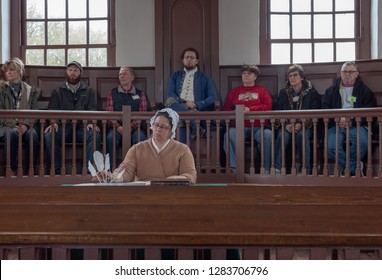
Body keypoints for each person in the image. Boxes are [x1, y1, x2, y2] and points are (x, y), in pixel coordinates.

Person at [103, 108, 197, 184]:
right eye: (156, 125)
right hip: (143, 195)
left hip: (172, 195)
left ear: (171, 131)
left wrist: (171, 180)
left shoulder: (183, 150)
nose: (158, 129)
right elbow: (125, 170)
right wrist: (113, 177)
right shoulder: (137, 149)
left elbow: (190, 175)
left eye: (163, 127)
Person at [44, 61, 101, 174]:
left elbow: (92, 109)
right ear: (66, 72)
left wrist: (90, 122)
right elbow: (52, 109)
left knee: (95, 134)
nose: (72, 73)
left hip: (82, 127)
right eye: (70, 70)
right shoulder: (58, 90)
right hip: (64, 126)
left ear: (80, 73)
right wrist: (54, 122)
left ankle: (91, 171)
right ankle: (57, 170)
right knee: (49, 135)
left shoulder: (89, 91)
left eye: (75, 70)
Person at [322, 61, 377, 176]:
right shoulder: (331, 91)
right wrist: (337, 120)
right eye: (344, 72)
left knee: (363, 142)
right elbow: (325, 109)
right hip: (336, 124)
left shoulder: (364, 91)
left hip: (356, 124)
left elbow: (370, 110)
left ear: (356, 74)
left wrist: (352, 121)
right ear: (340, 74)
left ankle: (346, 168)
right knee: (330, 146)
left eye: (350, 72)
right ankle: (355, 167)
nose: (347, 74)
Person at [223, 64, 273, 174]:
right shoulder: (235, 92)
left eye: (249, 73)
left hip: (259, 126)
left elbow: (268, 106)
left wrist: (250, 109)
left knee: (268, 136)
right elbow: (226, 108)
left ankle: (267, 169)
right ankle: (234, 168)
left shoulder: (262, 91)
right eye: (244, 73)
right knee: (228, 135)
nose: (246, 75)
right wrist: (238, 111)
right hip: (238, 126)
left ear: (255, 76)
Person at [274, 64, 321, 175]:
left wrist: (301, 124)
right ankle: (277, 168)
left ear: (302, 77)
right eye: (290, 76)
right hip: (287, 126)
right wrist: (285, 125)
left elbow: (315, 112)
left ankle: (306, 169)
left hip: (306, 126)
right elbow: (277, 111)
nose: (292, 78)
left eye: (295, 75)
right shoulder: (283, 93)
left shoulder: (312, 93)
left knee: (302, 136)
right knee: (282, 136)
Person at [165, 47, 217, 143]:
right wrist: (184, 102)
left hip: (194, 109)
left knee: (182, 122)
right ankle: (196, 126)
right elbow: (170, 94)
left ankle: (182, 156)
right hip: (177, 106)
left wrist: (196, 104)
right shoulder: (175, 75)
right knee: (170, 101)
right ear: (183, 60)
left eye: (192, 57)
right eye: (187, 57)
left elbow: (212, 97)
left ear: (196, 61)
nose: (189, 59)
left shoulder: (204, 78)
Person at [0, 57, 40, 174]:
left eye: (12, 70)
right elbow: (1, 112)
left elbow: (35, 112)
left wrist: (26, 126)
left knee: (33, 135)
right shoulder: (2, 90)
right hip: (4, 125)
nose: (9, 72)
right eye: (7, 70)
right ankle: (10, 169)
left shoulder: (30, 90)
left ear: (19, 71)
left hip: (25, 124)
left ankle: (30, 169)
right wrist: (13, 125)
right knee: (11, 134)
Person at [105, 66, 147, 168]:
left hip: (135, 127)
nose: (121, 76)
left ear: (132, 77)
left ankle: (139, 168)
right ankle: (112, 170)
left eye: (124, 74)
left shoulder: (140, 94)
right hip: (116, 128)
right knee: (110, 138)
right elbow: (109, 113)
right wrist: (119, 127)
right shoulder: (112, 92)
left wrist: (129, 128)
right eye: (120, 74)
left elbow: (142, 113)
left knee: (141, 138)